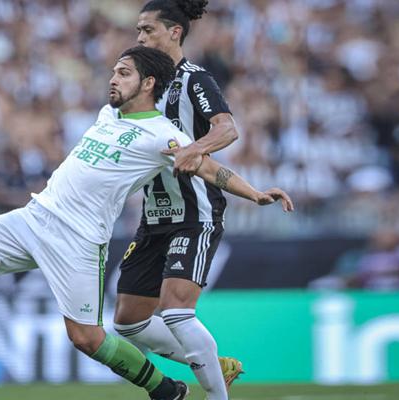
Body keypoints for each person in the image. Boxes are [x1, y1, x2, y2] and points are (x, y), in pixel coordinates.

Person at [0, 46, 292, 400]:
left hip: (79, 241)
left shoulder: (162, 133)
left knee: (88, 338)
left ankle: (164, 390)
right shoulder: (107, 115)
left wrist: (255, 193)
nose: (113, 79)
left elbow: (210, 168)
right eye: (114, 71)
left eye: (123, 73)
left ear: (148, 83)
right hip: (34, 216)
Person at [113, 1, 244, 399]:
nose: (139, 38)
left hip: (195, 212)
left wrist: (194, 150)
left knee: (175, 310)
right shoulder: (142, 83)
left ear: (174, 32)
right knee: (128, 322)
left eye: (148, 30)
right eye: (138, 30)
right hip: (152, 217)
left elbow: (227, 128)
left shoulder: (194, 80)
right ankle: (211, 364)